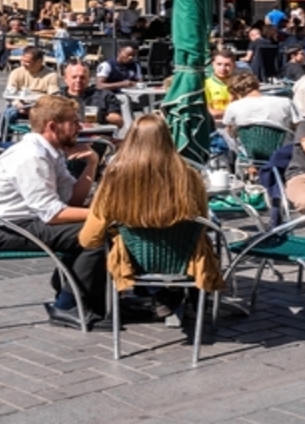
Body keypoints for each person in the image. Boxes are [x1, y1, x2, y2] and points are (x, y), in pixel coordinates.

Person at [0, 93, 104, 328]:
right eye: (73, 121)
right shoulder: (32, 156)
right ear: (52, 126)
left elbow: (72, 199)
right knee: (97, 233)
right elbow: (52, 214)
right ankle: (68, 304)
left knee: (94, 227)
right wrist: (106, 215)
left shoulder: (52, 151)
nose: (79, 127)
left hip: (24, 221)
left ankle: (85, 296)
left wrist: (91, 163)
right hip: (4, 229)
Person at [77, 116, 225, 323]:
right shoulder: (189, 175)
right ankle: (183, 297)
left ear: (131, 139)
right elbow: (201, 220)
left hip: (133, 261)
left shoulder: (114, 178)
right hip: (182, 258)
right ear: (167, 138)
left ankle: (159, 294)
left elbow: (89, 238)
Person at [222, 70, 297, 134]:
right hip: (283, 147)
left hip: (247, 148)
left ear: (235, 93)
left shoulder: (234, 107)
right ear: (258, 85)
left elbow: (230, 133)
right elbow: (299, 127)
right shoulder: (286, 102)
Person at [61, 63, 121, 127]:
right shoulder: (57, 98)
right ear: (65, 79)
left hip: (98, 134)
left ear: (89, 78)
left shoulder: (104, 95)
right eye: (74, 77)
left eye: (82, 77)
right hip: (66, 135)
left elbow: (119, 121)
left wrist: (101, 116)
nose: (78, 80)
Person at [204, 49, 238, 121]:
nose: (223, 68)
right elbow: (210, 112)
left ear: (234, 66)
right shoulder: (205, 84)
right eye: (219, 64)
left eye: (227, 65)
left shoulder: (239, 85)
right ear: (213, 65)